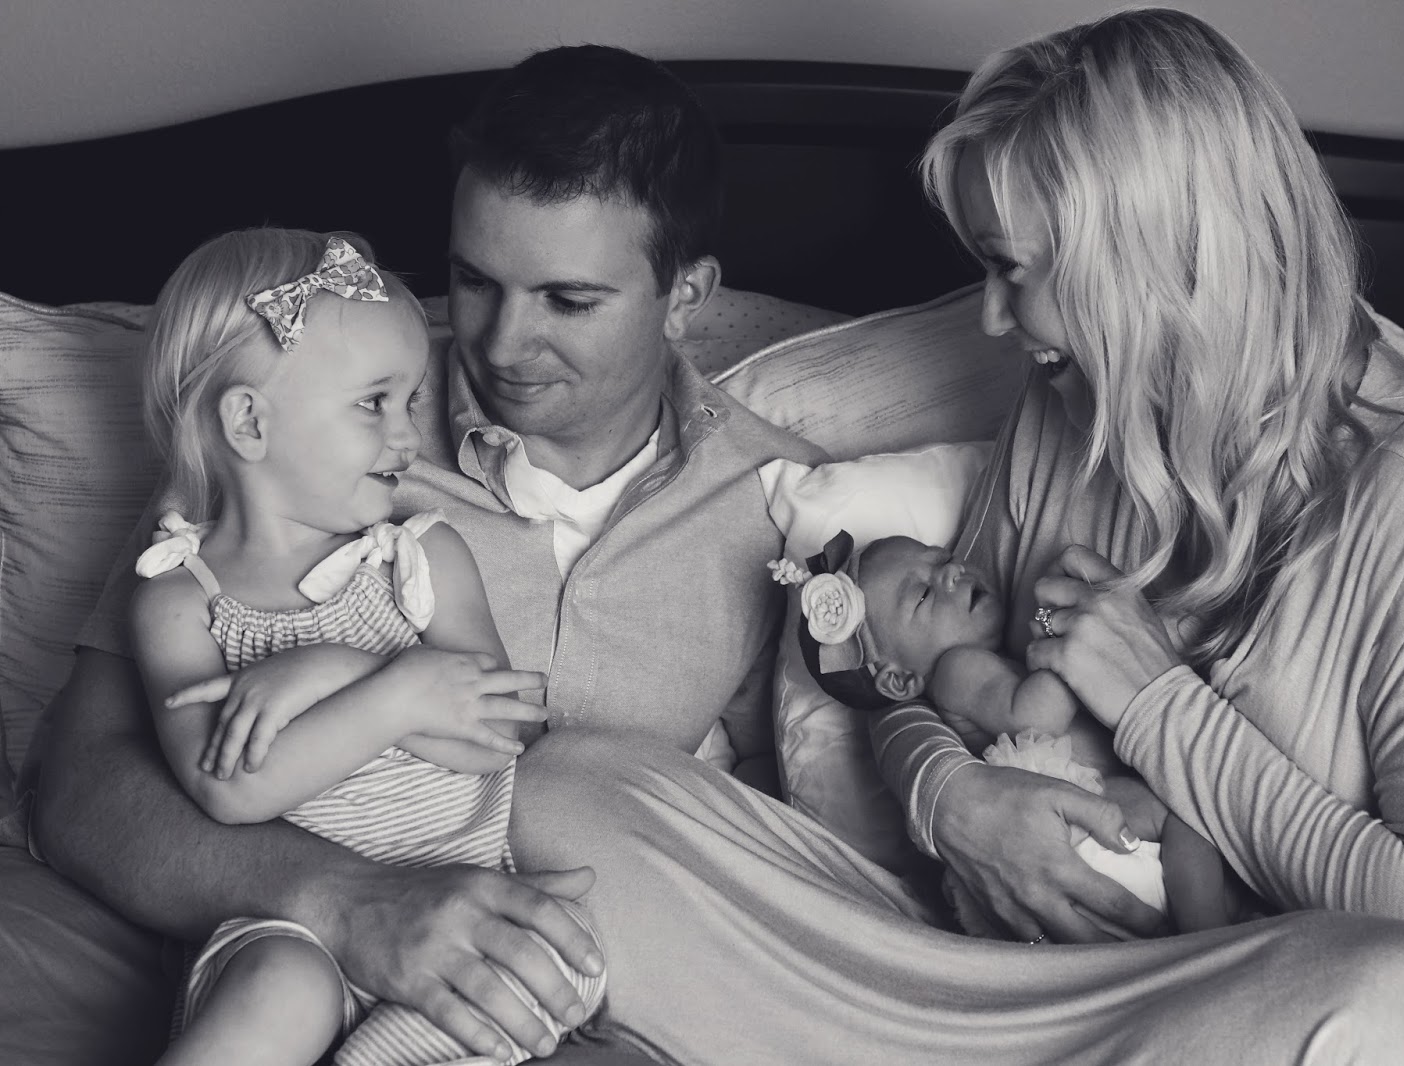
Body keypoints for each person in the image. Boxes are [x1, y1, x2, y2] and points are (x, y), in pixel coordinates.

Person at [475, 8, 1404, 1061]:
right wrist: (951, 798)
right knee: (569, 792)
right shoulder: (1068, 405)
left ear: (1151, 262)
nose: (991, 318)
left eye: (1013, 271)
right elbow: (925, 677)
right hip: (956, 976)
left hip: (1212, 1005)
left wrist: (1159, 704)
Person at [29, 46, 820, 1061]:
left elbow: (773, 842)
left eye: (568, 300)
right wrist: (344, 900)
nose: (501, 343)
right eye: (472, 281)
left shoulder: (781, 507)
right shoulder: (300, 417)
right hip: (246, 947)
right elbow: (74, 784)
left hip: (551, 991)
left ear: (686, 294)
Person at [129, 229, 602, 1066]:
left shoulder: (419, 555)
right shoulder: (180, 598)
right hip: (288, 924)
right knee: (282, 982)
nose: (407, 436)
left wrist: (343, 673)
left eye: (410, 402)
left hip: (461, 898)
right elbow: (231, 790)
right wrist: (403, 695)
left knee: (559, 955)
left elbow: (503, 731)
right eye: (372, 403)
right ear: (248, 422)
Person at [778, 528, 1232, 934]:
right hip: (1075, 823)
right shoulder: (956, 669)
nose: (952, 571)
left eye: (943, 557)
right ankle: (1209, 937)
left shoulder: (983, 664)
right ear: (900, 681)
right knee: (1181, 820)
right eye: (924, 594)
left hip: (1081, 832)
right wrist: (1067, 645)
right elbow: (1035, 719)